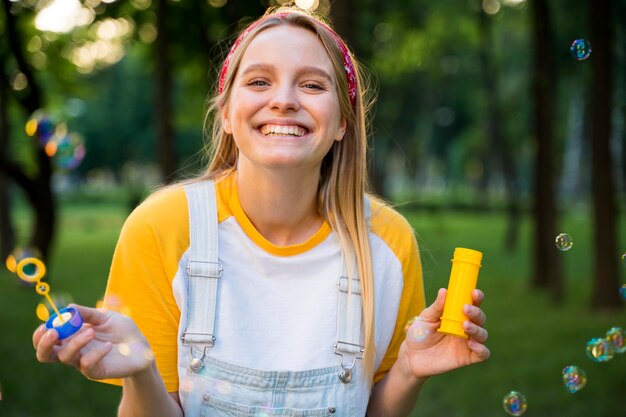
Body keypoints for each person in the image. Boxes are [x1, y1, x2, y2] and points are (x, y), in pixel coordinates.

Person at [32, 5, 489, 417]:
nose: (284, 99)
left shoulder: (388, 242)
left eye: (312, 84)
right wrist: (141, 373)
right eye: (258, 81)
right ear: (227, 114)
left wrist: (409, 370)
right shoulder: (161, 227)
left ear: (343, 123)